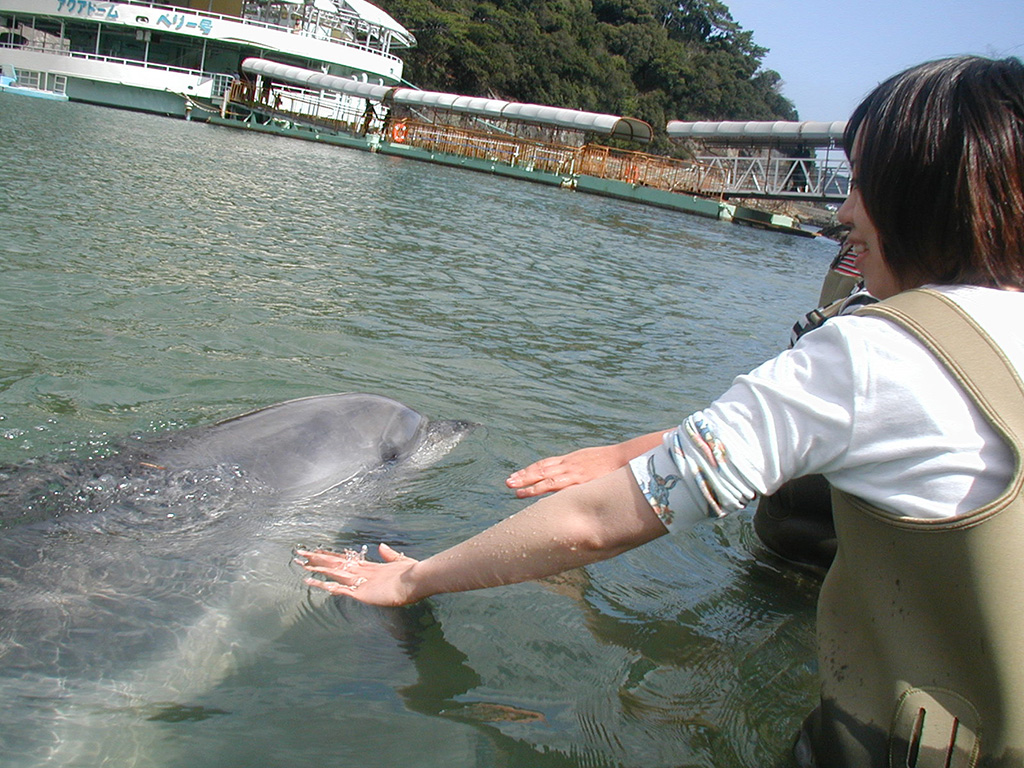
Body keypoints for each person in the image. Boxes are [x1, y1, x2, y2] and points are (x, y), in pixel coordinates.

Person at [298, 56, 1024, 766]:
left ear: (919, 194)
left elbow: (595, 522)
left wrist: (410, 580)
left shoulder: (875, 351)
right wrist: (623, 454)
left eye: (863, 183)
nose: (841, 211)